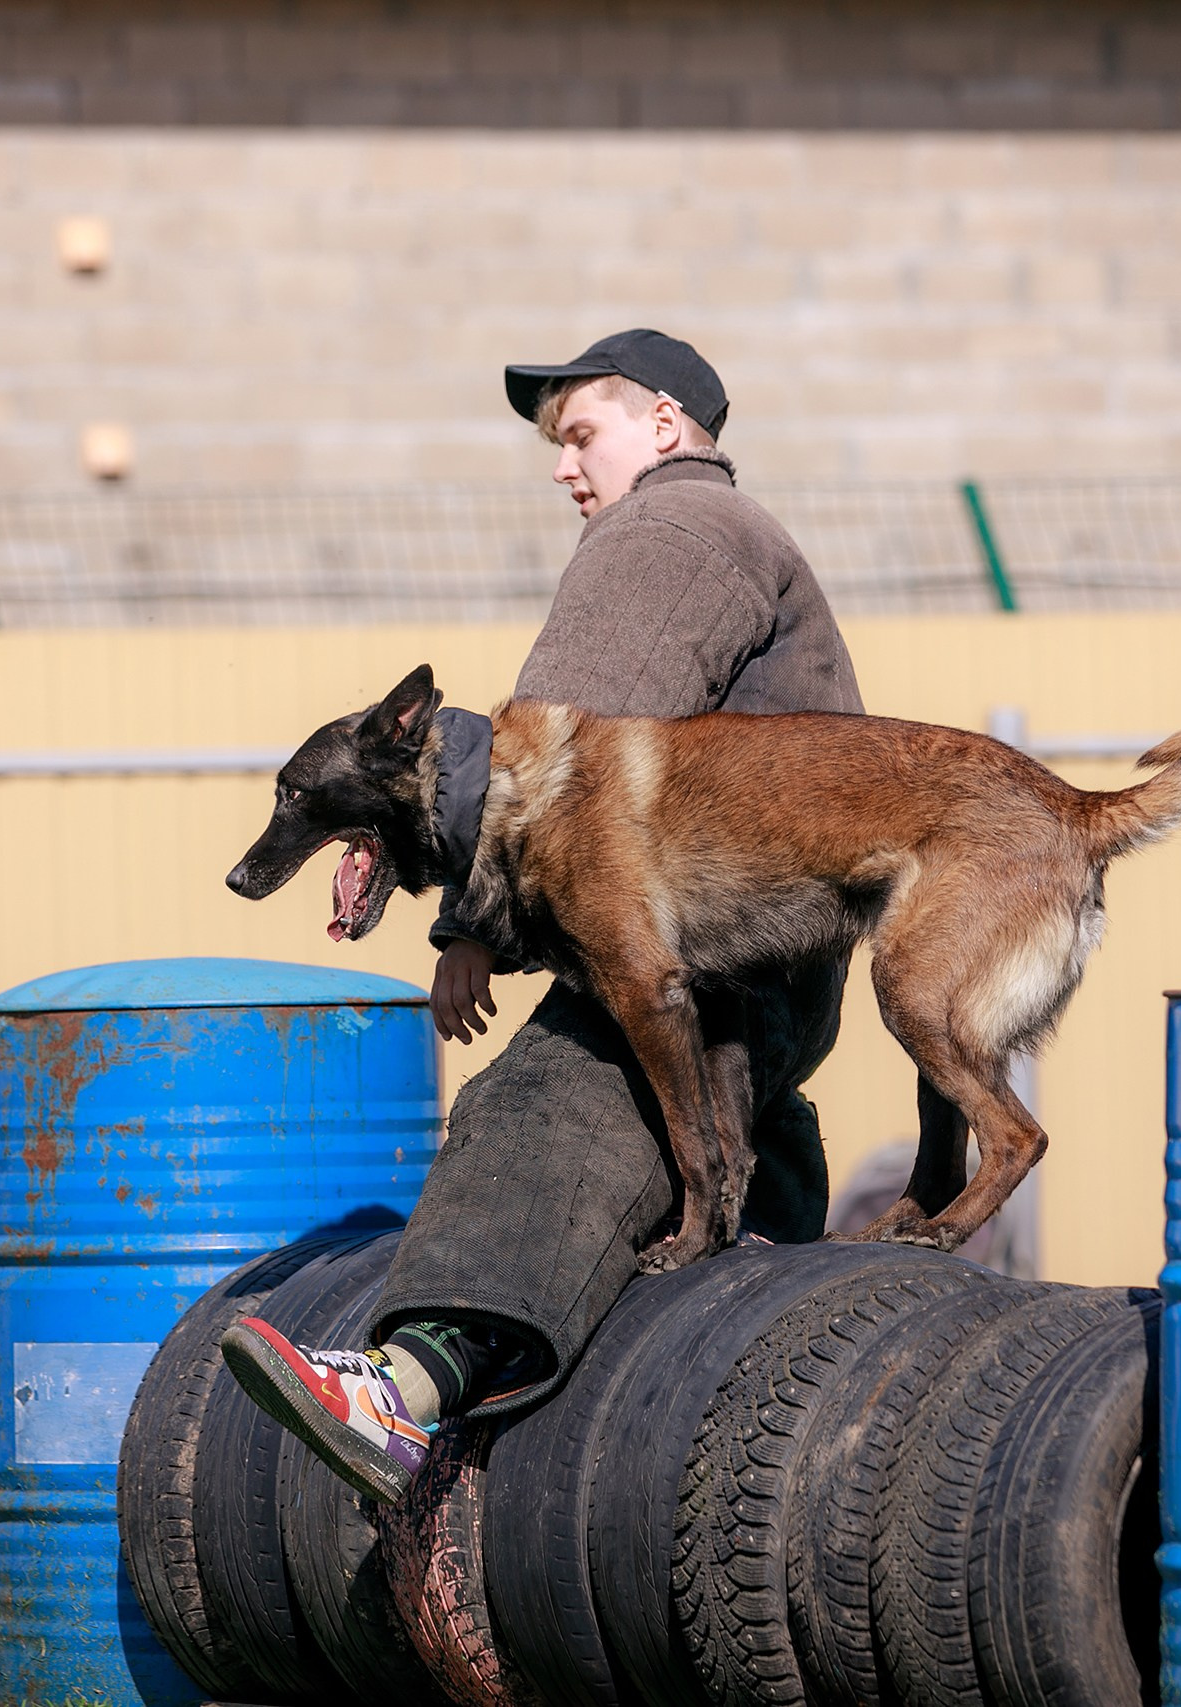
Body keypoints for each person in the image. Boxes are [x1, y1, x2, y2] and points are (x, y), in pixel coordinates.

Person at [221, 329, 865, 1504]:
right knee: (715, 1161)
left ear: (664, 427)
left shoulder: (671, 527)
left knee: (544, 1098)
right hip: (754, 947)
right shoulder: (726, 535)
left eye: (581, 435)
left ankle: (407, 1389)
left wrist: (470, 921)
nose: (564, 468)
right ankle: (775, 1381)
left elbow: (567, 743)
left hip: (711, 949)